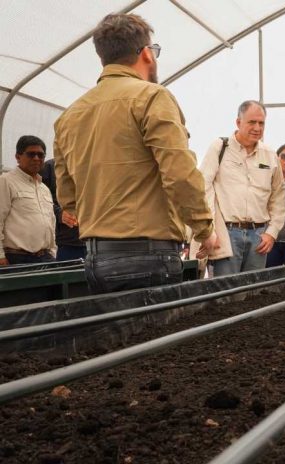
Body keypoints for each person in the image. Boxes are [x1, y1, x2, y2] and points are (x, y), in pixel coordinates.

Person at [53, 14, 217, 294]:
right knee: (158, 335)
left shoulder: (70, 115)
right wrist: (205, 231)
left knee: (119, 338)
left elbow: (68, 198)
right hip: (149, 255)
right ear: (146, 54)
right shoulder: (152, 97)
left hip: (96, 258)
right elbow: (180, 175)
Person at [199, 100, 285, 275]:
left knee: (251, 296)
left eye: (261, 123)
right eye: (252, 122)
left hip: (259, 238)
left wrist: (272, 233)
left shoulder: (270, 155)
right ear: (238, 122)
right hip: (227, 235)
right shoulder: (220, 147)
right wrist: (210, 230)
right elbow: (203, 187)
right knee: (224, 294)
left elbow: (278, 198)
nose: (257, 127)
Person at [0, 136, 56, 265]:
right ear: (18, 157)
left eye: (41, 155)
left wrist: (52, 252)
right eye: (31, 154)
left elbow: (51, 223)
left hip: (45, 258)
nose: (36, 158)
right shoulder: (5, 181)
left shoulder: (44, 189)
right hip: (16, 258)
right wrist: (1, 256)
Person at [40, 158, 86, 261]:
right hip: (65, 243)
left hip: (93, 241)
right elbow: (39, 201)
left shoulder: (90, 165)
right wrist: (59, 213)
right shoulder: (49, 167)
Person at [267, 143, 285, 267]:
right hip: (271, 239)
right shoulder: (267, 181)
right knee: (269, 280)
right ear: (277, 158)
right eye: (284, 156)